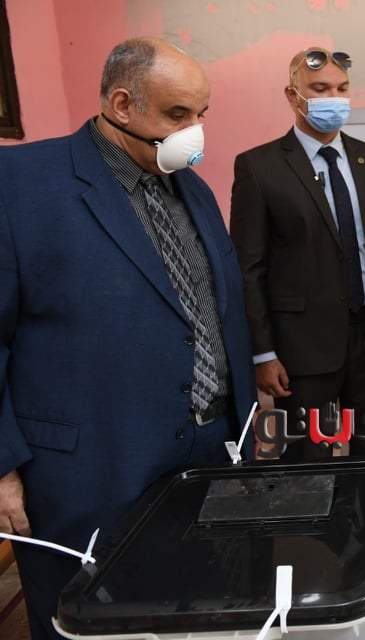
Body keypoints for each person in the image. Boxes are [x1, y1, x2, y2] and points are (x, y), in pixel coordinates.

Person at [0, 37, 256, 639]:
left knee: (197, 609)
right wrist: (2, 467)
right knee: (95, 620)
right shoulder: (21, 185)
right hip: (91, 470)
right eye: (176, 114)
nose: (194, 132)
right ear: (121, 104)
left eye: (200, 114)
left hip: (207, 454)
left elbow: (210, 312)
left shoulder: (192, 189)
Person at [230, 48, 365, 460]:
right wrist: (263, 353)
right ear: (292, 96)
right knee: (307, 462)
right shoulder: (259, 168)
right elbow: (248, 268)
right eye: (320, 89)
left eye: (341, 89)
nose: (333, 98)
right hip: (301, 349)